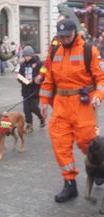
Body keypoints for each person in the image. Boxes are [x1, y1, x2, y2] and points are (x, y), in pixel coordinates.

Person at [40, 19, 104, 203]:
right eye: (61, 36)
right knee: (60, 143)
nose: (65, 39)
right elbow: (48, 80)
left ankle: (98, 169)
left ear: (74, 32)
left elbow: (101, 78)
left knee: (88, 142)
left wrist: (98, 95)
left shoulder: (89, 50)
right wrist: (44, 101)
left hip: (82, 103)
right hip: (61, 104)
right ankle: (70, 184)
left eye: (67, 36)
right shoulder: (54, 51)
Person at [17, 46, 44, 133]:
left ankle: (41, 117)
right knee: (26, 109)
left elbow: (42, 76)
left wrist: (35, 80)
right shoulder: (23, 64)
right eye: (24, 56)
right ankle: (29, 125)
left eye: (28, 56)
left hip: (35, 91)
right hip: (25, 90)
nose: (26, 58)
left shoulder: (39, 63)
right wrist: (20, 79)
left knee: (33, 107)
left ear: (32, 55)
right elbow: (20, 75)